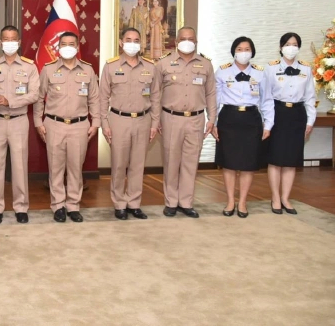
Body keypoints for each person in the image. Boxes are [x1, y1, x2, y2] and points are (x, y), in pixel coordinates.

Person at [34, 32, 101, 223]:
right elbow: (39, 97)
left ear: (77, 47)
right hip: (54, 124)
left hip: (80, 126)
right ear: (58, 47)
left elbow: (94, 98)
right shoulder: (48, 69)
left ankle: (73, 205)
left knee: (75, 168)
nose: (68, 47)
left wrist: (96, 122)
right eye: (64, 44)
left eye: (72, 44)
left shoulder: (88, 70)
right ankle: (58, 206)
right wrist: (38, 122)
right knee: (55, 168)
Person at [151, 26, 217, 218]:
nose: (187, 42)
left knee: (191, 162)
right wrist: (156, 119)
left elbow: (211, 93)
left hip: (196, 119)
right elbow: (155, 94)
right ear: (176, 41)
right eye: (183, 38)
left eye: (191, 39)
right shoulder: (163, 63)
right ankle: (171, 202)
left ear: (196, 42)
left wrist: (212, 118)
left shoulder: (206, 64)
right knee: (171, 161)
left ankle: (186, 202)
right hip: (171, 118)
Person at [0, 26, 40, 225]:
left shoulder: (29, 67)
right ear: (0, 42)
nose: (9, 42)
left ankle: (21, 207)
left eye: (13, 39)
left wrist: (10, 101)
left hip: (19, 120)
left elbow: (34, 94)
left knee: (19, 166)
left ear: (19, 42)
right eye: (5, 39)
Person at [100, 27, 160, 220]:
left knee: (137, 165)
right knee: (119, 165)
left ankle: (134, 203)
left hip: (143, 120)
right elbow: (103, 98)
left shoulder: (150, 67)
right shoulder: (110, 66)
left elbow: (156, 97)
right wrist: (104, 124)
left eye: (136, 40)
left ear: (141, 44)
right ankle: (119, 203)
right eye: (128, 40)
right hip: (119, 120)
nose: (132, 44)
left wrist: (155, 123)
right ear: (121, 42)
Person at [214, 37, 274, 218]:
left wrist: (268, 124)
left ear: (252, 52)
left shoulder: (260, 73)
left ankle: (242, 202)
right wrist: (213, 123)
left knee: (248, 164)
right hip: (228, 118)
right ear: (233, 51)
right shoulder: (222, 71)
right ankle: (230, 201)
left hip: (251, 120)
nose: (243, 52)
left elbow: (267, 100)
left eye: (247, 49)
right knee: (229, 163)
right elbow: (215, 100)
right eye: (239, 49)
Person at [264, 32, 315, 215]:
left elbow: (310, 97)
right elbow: (266, 97)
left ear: (298, 48)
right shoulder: (271, 68)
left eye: (294, 44)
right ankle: (275, 197)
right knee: (276, 159)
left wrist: (310, 120)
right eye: (287, 44)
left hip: (297, 115)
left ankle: (286, 198)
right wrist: (268, 122)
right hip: (278, 113)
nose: (291, 48)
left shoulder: (306, 69)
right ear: (280, 47)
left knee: (291, 160)